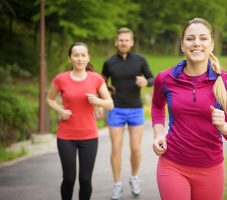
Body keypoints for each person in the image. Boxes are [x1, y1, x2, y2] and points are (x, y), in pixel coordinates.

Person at [151, 18, 227, 200]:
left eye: (203, 38)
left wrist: (223, 126)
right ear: (182, 45)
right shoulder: (165, 78)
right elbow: (157, 105)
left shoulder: (226, 82)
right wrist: (158, 134)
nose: (197, 43)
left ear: (212, 44)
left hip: (211, 168)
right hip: (172, 164)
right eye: (190, 38)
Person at [46, 42, 114, 200]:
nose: (79, 58)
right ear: (70, 58)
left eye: (83, 55)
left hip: (89, 136)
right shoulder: (61, 79)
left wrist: (97, 101)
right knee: (69, 179)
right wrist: (60, 111)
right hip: (65, 136)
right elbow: (49, 99)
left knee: (85, 180)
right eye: (76, 55)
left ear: (88, 57)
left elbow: (110, 104)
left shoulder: (96, 78)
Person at [101, 27, 154, 200]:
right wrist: (102, 101)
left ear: (131, 42)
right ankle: (117, 184)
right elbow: (100, 83)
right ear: (116, 42)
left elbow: (153, 79)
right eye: (121, 40)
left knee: (136, 148)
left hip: (136, 109)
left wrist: (145, 82)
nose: (123, 43)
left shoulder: (140, 60)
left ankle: (134, 177)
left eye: (127, 40)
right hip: (115, 109)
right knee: (116, 148)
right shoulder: (109, 63)